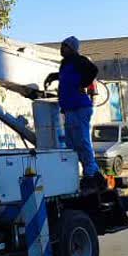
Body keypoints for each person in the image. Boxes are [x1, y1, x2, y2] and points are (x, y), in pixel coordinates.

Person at [45, 36, 106, 189]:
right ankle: (95, 174)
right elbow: (66, 77)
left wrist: (83, 84)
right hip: (70, 108)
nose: (61, 49)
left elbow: (93, 70)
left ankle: (90, 173)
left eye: (64, 46)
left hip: (80, 106)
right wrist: (54, 76)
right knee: (72, 143)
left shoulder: (79, 60)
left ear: (72, 48)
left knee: (82, 140)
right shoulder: (65, 64)